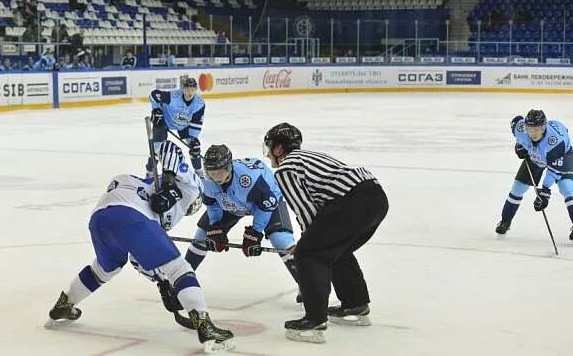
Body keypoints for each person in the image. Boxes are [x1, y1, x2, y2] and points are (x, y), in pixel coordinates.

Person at [46, 141, 235, 353]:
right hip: (133, 219)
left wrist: (162, 283)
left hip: (100, 220)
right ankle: (204, 324)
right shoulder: (192, 187)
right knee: (180, 269)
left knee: (104, 268)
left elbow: (140, 257)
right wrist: (170, 184)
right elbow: (168, 148)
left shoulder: (126, 181)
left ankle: (65, 303)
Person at [263, 122, 388, 343]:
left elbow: (306, 210)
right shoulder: (308, 157)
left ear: (279, 148)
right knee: (336, 250)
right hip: (376, 198)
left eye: (271, 147)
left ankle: (314, 320)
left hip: (352, 203)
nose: (269, 153)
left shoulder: (286, 169)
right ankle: (355, 304)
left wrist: (306, 243)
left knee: (310, 254)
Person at [184, 144, 301, 300]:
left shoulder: (249, 180)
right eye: (211, 173)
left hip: (265, 202)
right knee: (201, 237)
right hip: (232, 202)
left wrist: (256, 232)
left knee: (281, 240)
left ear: (229, 167)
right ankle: (181, 281)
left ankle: (306, 285)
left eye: (219, 172)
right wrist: (215, 225)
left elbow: (267, 205)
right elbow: (212, 204)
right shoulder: (208, 181)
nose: (215, 177)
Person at [496, 110, 573, 240]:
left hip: (563, 156)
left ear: (544, 127)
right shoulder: (521, 130)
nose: (533, 133)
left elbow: (553, 170)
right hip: (536, 156)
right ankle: (505, 221)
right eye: (530, 129)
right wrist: (520, 144)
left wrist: (545, 192)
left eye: (537, 129)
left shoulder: (556, 143)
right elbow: (516, 120)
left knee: (566, 187)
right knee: (518, 187)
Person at [148, 77, 205, 177]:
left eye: (192, 89)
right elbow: (153, 95)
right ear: (183, 89)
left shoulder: (199, 104)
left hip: (183, 126)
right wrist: (156, 110)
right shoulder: (173, 97)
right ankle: (149, 173)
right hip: (164, 122)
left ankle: (200, 174)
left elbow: (196, 123)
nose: (189, 92)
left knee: (195, 148)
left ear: (196, 90)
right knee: (156, 149)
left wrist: (193, 138)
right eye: (187, 89)